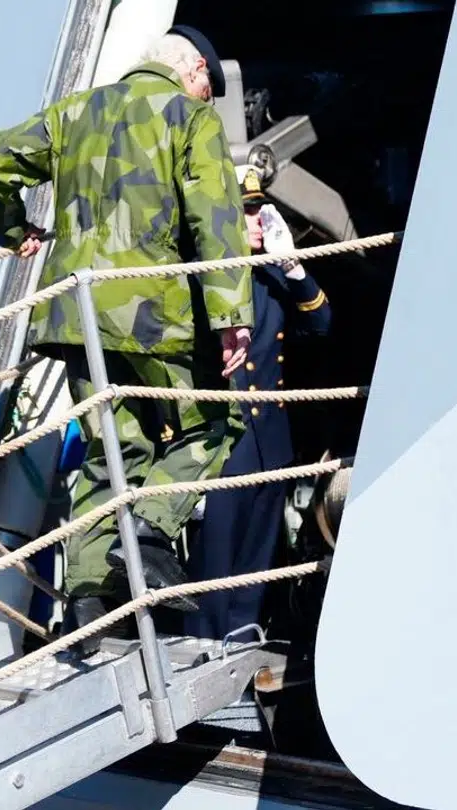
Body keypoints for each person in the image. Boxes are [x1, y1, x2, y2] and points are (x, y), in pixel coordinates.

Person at [0, 27, 255, 650]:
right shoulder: (190, 119)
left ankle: (89, 603)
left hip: (74, 316)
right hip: (155, 316)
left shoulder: (76, 112)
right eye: (208, 82)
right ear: (192, 72)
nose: (208, 94)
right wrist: (233, 314)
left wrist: (14, 228)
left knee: (111, 448)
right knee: (216, 421)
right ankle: (149, 538)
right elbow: (217, 217)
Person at [183, 166, 332, 642]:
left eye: (258, 210)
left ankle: (242, 637)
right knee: (216, 559)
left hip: (269, 438)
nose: (257, 221)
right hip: (223, 441)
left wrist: (294, 267)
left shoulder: (271, 276)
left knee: (256, 555)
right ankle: (204, 645)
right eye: (246, 212)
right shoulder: (201, 274)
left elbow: (322, 324)